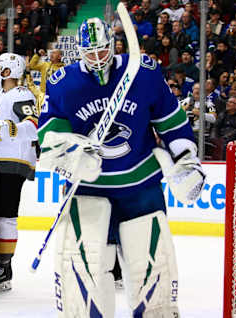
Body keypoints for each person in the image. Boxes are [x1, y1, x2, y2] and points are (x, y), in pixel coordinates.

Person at [38, 18, 205, 317]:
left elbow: (171, 121)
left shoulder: (144, 73)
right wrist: (72, 151)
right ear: (79, 51)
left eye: (103, 51)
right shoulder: (63, 82)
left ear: (112, 46)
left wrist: (185, 157)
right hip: (87, 189)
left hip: (140, 186)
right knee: (83, 268)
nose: (98, 59)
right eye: (91, 53)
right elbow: (49, 136)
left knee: (151, 268)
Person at [0, 52, 38, 292]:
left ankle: (4, 267)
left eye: (2, 69)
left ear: (12, 71)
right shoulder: (1, 95)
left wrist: (10, 129)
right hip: (0, 160)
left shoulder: (21, 93)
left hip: (14, 160)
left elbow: (34, 123)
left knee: (5, 216)